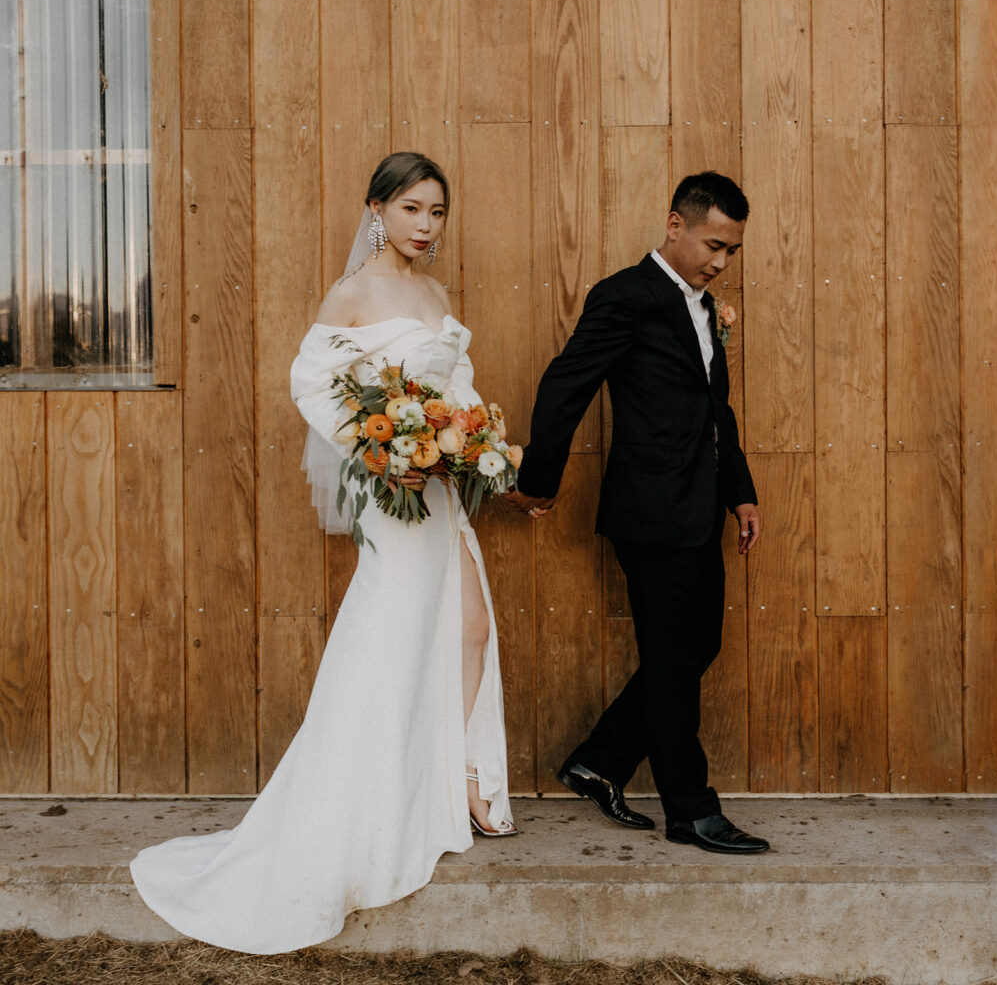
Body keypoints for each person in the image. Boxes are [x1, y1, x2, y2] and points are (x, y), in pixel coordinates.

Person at [131, 152, 515, 955]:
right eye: (411, 209)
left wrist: (477, 444)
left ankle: (457, 782)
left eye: (437, 212)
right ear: (377, 210)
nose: (426, 225)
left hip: (442, 491)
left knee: (471, 628)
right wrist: (383, 452)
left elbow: (456, 386)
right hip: (395, 493)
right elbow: (314, 386)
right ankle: (363, 808)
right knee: (392, 643)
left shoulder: (435, 295)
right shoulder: (352, 294)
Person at [506, 171, 769, 855]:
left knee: (694, 647)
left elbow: (716, 411)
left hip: (700, 508)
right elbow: (566, 383)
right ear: (675, 225)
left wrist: (740, 492)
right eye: (714, 245)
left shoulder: (706, 308)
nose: (721, 261)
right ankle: (692, 810)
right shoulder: (625, 295)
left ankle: (600, 761)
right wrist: (539, 480)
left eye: (732, 250)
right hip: (649, 510)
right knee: (673, 658)